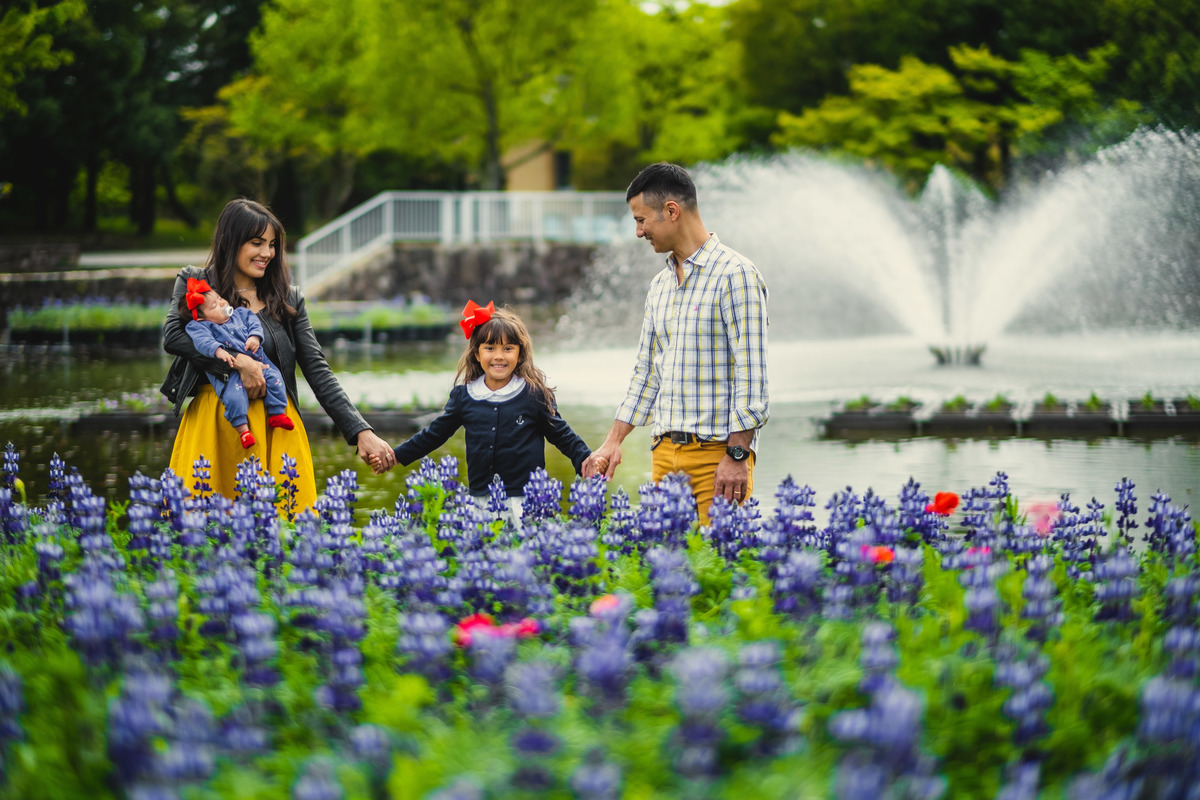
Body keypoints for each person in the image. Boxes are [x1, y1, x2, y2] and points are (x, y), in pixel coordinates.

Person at [161, 198, 395, 509]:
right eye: (257, 243)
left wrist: (360, 431)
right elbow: (174, 336)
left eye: (272, 245)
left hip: (277, 425)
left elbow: (317, 369)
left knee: (285, 538)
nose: (267, 253)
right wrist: (237, 363)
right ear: (230, 241)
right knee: (203, 535)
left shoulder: (288, 298)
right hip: (215, 426)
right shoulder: (197, 283)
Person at [583, 162, 769, 523]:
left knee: (715, 569)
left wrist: (737, 455)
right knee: (664, 571)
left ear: (671, 211)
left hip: (716, 457)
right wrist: (613, 441)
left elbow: (752, 376)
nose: (638, 232)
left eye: (641, 220)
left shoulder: (737, 275)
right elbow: (646, 373)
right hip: (663, 453)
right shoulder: (660, 286)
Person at [371, 300, 592, 518]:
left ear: (520, 354)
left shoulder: (533, 394)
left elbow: (562, 435)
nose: (498, 356)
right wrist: (396, 456)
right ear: (477, 354)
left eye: (508, 348)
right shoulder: (465, 396)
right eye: (490, 348)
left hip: (527, 499)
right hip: (480, 500)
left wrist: (587, 461)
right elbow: (433, 435)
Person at [179, 277, 294, 449]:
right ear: (202, 319)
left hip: (260, 361)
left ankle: (277, 412)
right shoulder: (201, 327)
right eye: (214, 306)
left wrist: (255, 336)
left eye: (219, 298)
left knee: (276, 378)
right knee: (233, 396)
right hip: (230, 373)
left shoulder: (241, 313)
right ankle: (242, 429)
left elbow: (254, 323)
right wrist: (218, 350)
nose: (221, 303)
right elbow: (202, 341)